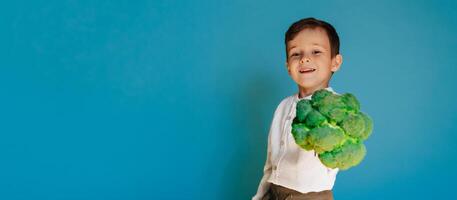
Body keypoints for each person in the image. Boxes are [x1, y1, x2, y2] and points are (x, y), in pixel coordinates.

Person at [252, 17, 344, 200]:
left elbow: (338, 154)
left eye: (316, 51)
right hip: (274, 192)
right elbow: (271, 162)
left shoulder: (336, 108)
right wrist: (260, 195)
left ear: (335, 62)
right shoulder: (283, 106)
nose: (305, 59)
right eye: (295, 54)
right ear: (288, 66)